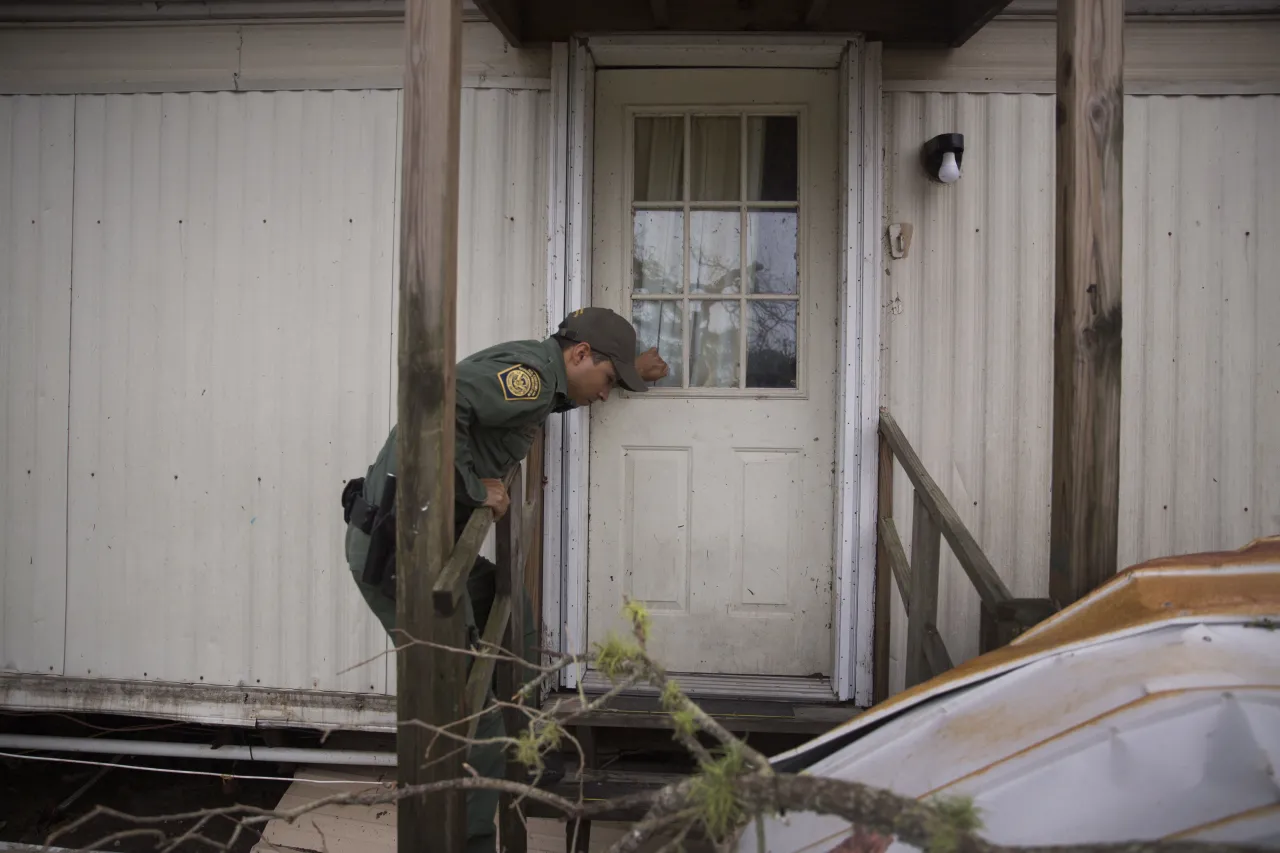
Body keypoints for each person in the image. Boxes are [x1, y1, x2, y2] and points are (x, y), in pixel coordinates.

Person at [341, 307, 667, 853]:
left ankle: (528, 747)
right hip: (404, 558)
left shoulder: (543, 375)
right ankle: (471, 838)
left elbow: (536, 399)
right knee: (470, 710)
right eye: (610, 381)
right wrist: (475, 486)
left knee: (513, 608)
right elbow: (432, 411)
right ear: (581, 354)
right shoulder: (532, 379)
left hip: (430, 550)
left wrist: (634, 368)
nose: (607, 396)